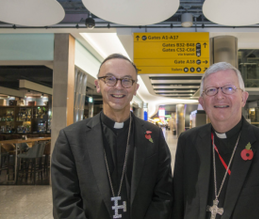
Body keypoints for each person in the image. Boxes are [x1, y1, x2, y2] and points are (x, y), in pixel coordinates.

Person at [172, 62, 259, 219]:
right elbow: (178, 204)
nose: (219, 96)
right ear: (202, 102)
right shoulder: (188, 142)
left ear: (243, 98)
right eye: (211, 90)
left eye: (229, 88)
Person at [52, 53, 172, 219]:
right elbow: (65, 204)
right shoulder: (71, 138)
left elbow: (164, 194)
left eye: (126, 80)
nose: (118, 86)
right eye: (110, 79)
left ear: (135, 88)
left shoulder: (154, 135)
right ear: (98, 85)